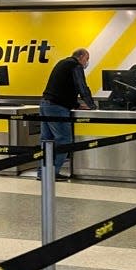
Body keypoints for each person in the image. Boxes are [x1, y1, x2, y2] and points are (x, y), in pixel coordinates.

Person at [38, 48, 96, 180]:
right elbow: (81, 86)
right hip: (57, 108)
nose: (87, 62)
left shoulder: (63, 63)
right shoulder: (75, 66)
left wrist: (77, 105)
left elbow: (64, 88)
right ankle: (52, 173)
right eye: (87, 59)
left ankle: (43, 173)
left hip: (45, 104)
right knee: (64, 140)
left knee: (47, 141)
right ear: (81, 57)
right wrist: (91, 105)